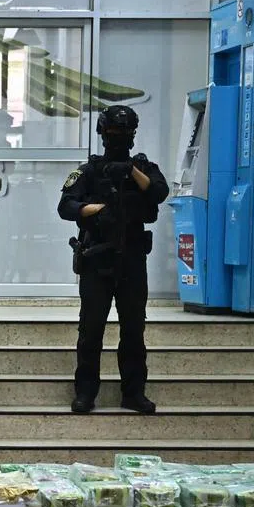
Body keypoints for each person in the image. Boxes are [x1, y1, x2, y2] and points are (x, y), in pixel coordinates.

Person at [59, 105, 168, 414]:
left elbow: (159, 192)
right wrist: (97, 209)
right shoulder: (90, 170)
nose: (119, 138)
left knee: (133, 330)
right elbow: (66, 206)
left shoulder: (143, 168)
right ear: (103, 133)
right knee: (90, 330)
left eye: (125, 133)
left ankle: (133, 393)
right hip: (97, 258)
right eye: (114, 133)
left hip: (132, 259)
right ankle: (85, 393)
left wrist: (131, 171)